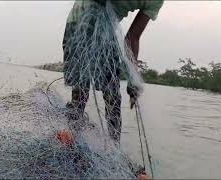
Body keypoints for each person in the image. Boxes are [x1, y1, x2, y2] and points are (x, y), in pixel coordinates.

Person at [63, 0, 163, 142]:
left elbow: (132, 37)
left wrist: (132, 77)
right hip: (79, 21)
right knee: (81, 90)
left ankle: (114, 149)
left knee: (113, 96)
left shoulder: (156, 1)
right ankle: (72, 138)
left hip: (106, 32)